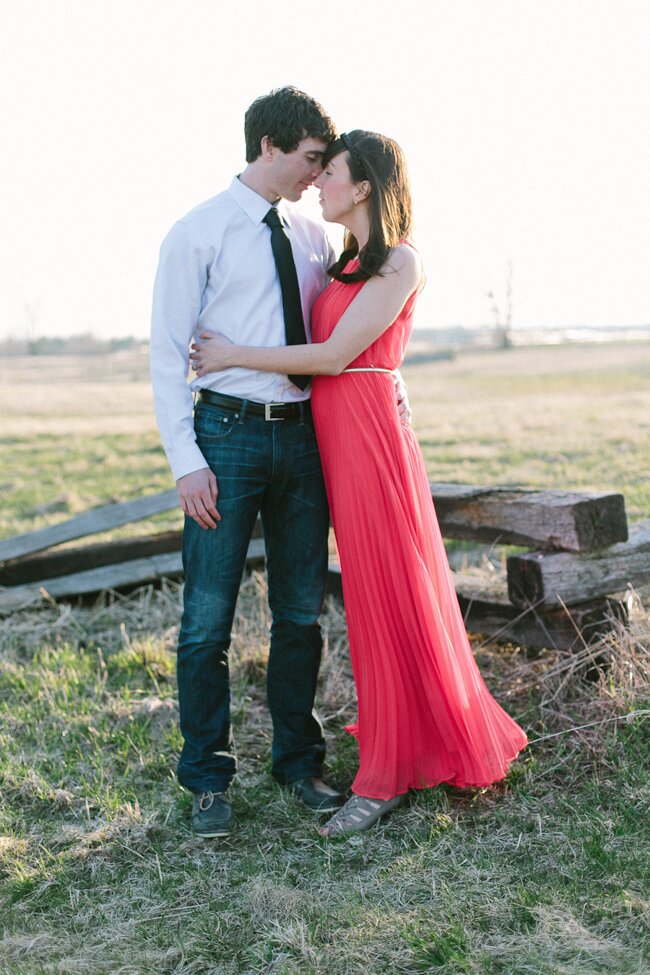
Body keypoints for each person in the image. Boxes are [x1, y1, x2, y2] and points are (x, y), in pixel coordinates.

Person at [190, 129, 529, 838]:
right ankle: (399, 741)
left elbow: (338, 354)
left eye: (331, 172)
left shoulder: (401, 262)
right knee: (368, 599)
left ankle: (384, 778)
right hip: (331, 443)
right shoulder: (342, 260)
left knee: (386, 595)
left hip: (371, 444)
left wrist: (229, 354)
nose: (319, 183)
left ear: (366, 185)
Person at [150, 87, 347, 839]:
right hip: (224, 438)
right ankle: (207, 778)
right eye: (308, 159)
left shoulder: (311, 233)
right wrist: (186, 460)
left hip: (301, 439)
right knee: (207, 621)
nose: (315, 175)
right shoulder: (196, 233)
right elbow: (168, 356)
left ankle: (300, 762)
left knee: (302, 611)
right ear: (269, 145)